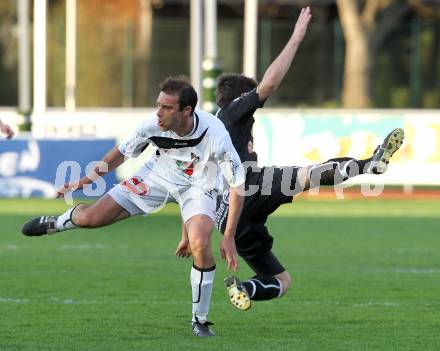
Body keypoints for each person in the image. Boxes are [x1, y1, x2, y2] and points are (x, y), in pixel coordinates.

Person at [175, 7, 405, 311]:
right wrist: (295, 38)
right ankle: (369, 164)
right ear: (242, 98)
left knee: (281, 280)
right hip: (247, 189)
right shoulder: (231, 111)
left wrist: (187, 234)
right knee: (306, 175)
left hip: (226, 216)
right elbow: (268, 85)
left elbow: (192, 185)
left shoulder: (207, 132)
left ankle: (245, 288)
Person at [21, 76, 245, 337]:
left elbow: (238, 184)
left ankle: (200, 320)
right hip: (156, 177)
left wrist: (228, 236)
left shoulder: (215, 134)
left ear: (187, 111)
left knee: (200, 243)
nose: (159, 113)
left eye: (167, 108)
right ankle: (57, 222)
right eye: (158, 105)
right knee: (92, 218)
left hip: (199, 186)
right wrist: (85, 180)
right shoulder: (151, 125)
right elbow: (121, 153)